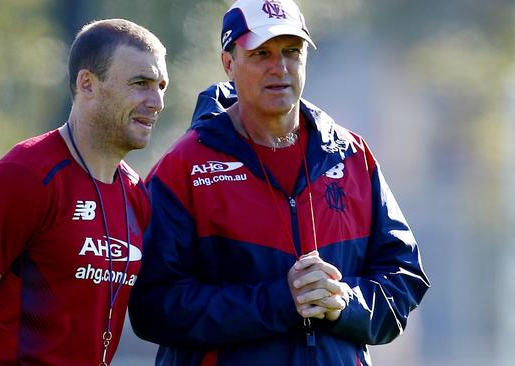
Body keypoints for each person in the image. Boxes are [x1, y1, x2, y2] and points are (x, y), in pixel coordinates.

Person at [128, 0, 429, 365]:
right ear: (229, 64)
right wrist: (279, 302)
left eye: (291, 51)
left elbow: (403, 276)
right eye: (261, 53)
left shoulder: (351, 156)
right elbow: (153, 306)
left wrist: (343, 302)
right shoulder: (184, 168)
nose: (280, 67)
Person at [0, 18, 168, 365]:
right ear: (87, 84)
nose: (156, 101)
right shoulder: (25, 177)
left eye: (161, 86)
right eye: (141, 83)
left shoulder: (136, 195)